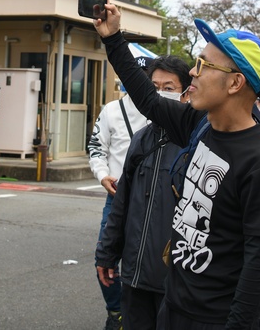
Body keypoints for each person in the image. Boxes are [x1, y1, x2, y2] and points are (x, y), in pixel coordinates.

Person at [92, 0, 260, 330]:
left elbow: (258, 263)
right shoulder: (199, 125)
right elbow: (148, 100)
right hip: (174, 304)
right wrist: (113, 38)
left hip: (214, 319)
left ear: (235, 83)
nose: (193, 72)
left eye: (205, 65)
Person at [96, 55, 193, 330]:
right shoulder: (142, 138)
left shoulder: (196, 140)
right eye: (154, 86)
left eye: (169, 87)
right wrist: (107, 253)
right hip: (134, 276)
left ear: (186, 93)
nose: (160, 93)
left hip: (175, 281)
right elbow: (122, 203)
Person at [89, 66, 150, 330]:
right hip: (117, 197)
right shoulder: (111, 110)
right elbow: (96, 148)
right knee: (106, 257)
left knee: (150, 258)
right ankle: (116, 312)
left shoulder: (161, 108)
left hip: (153, 197)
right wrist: (103, 175)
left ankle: (142, 313)